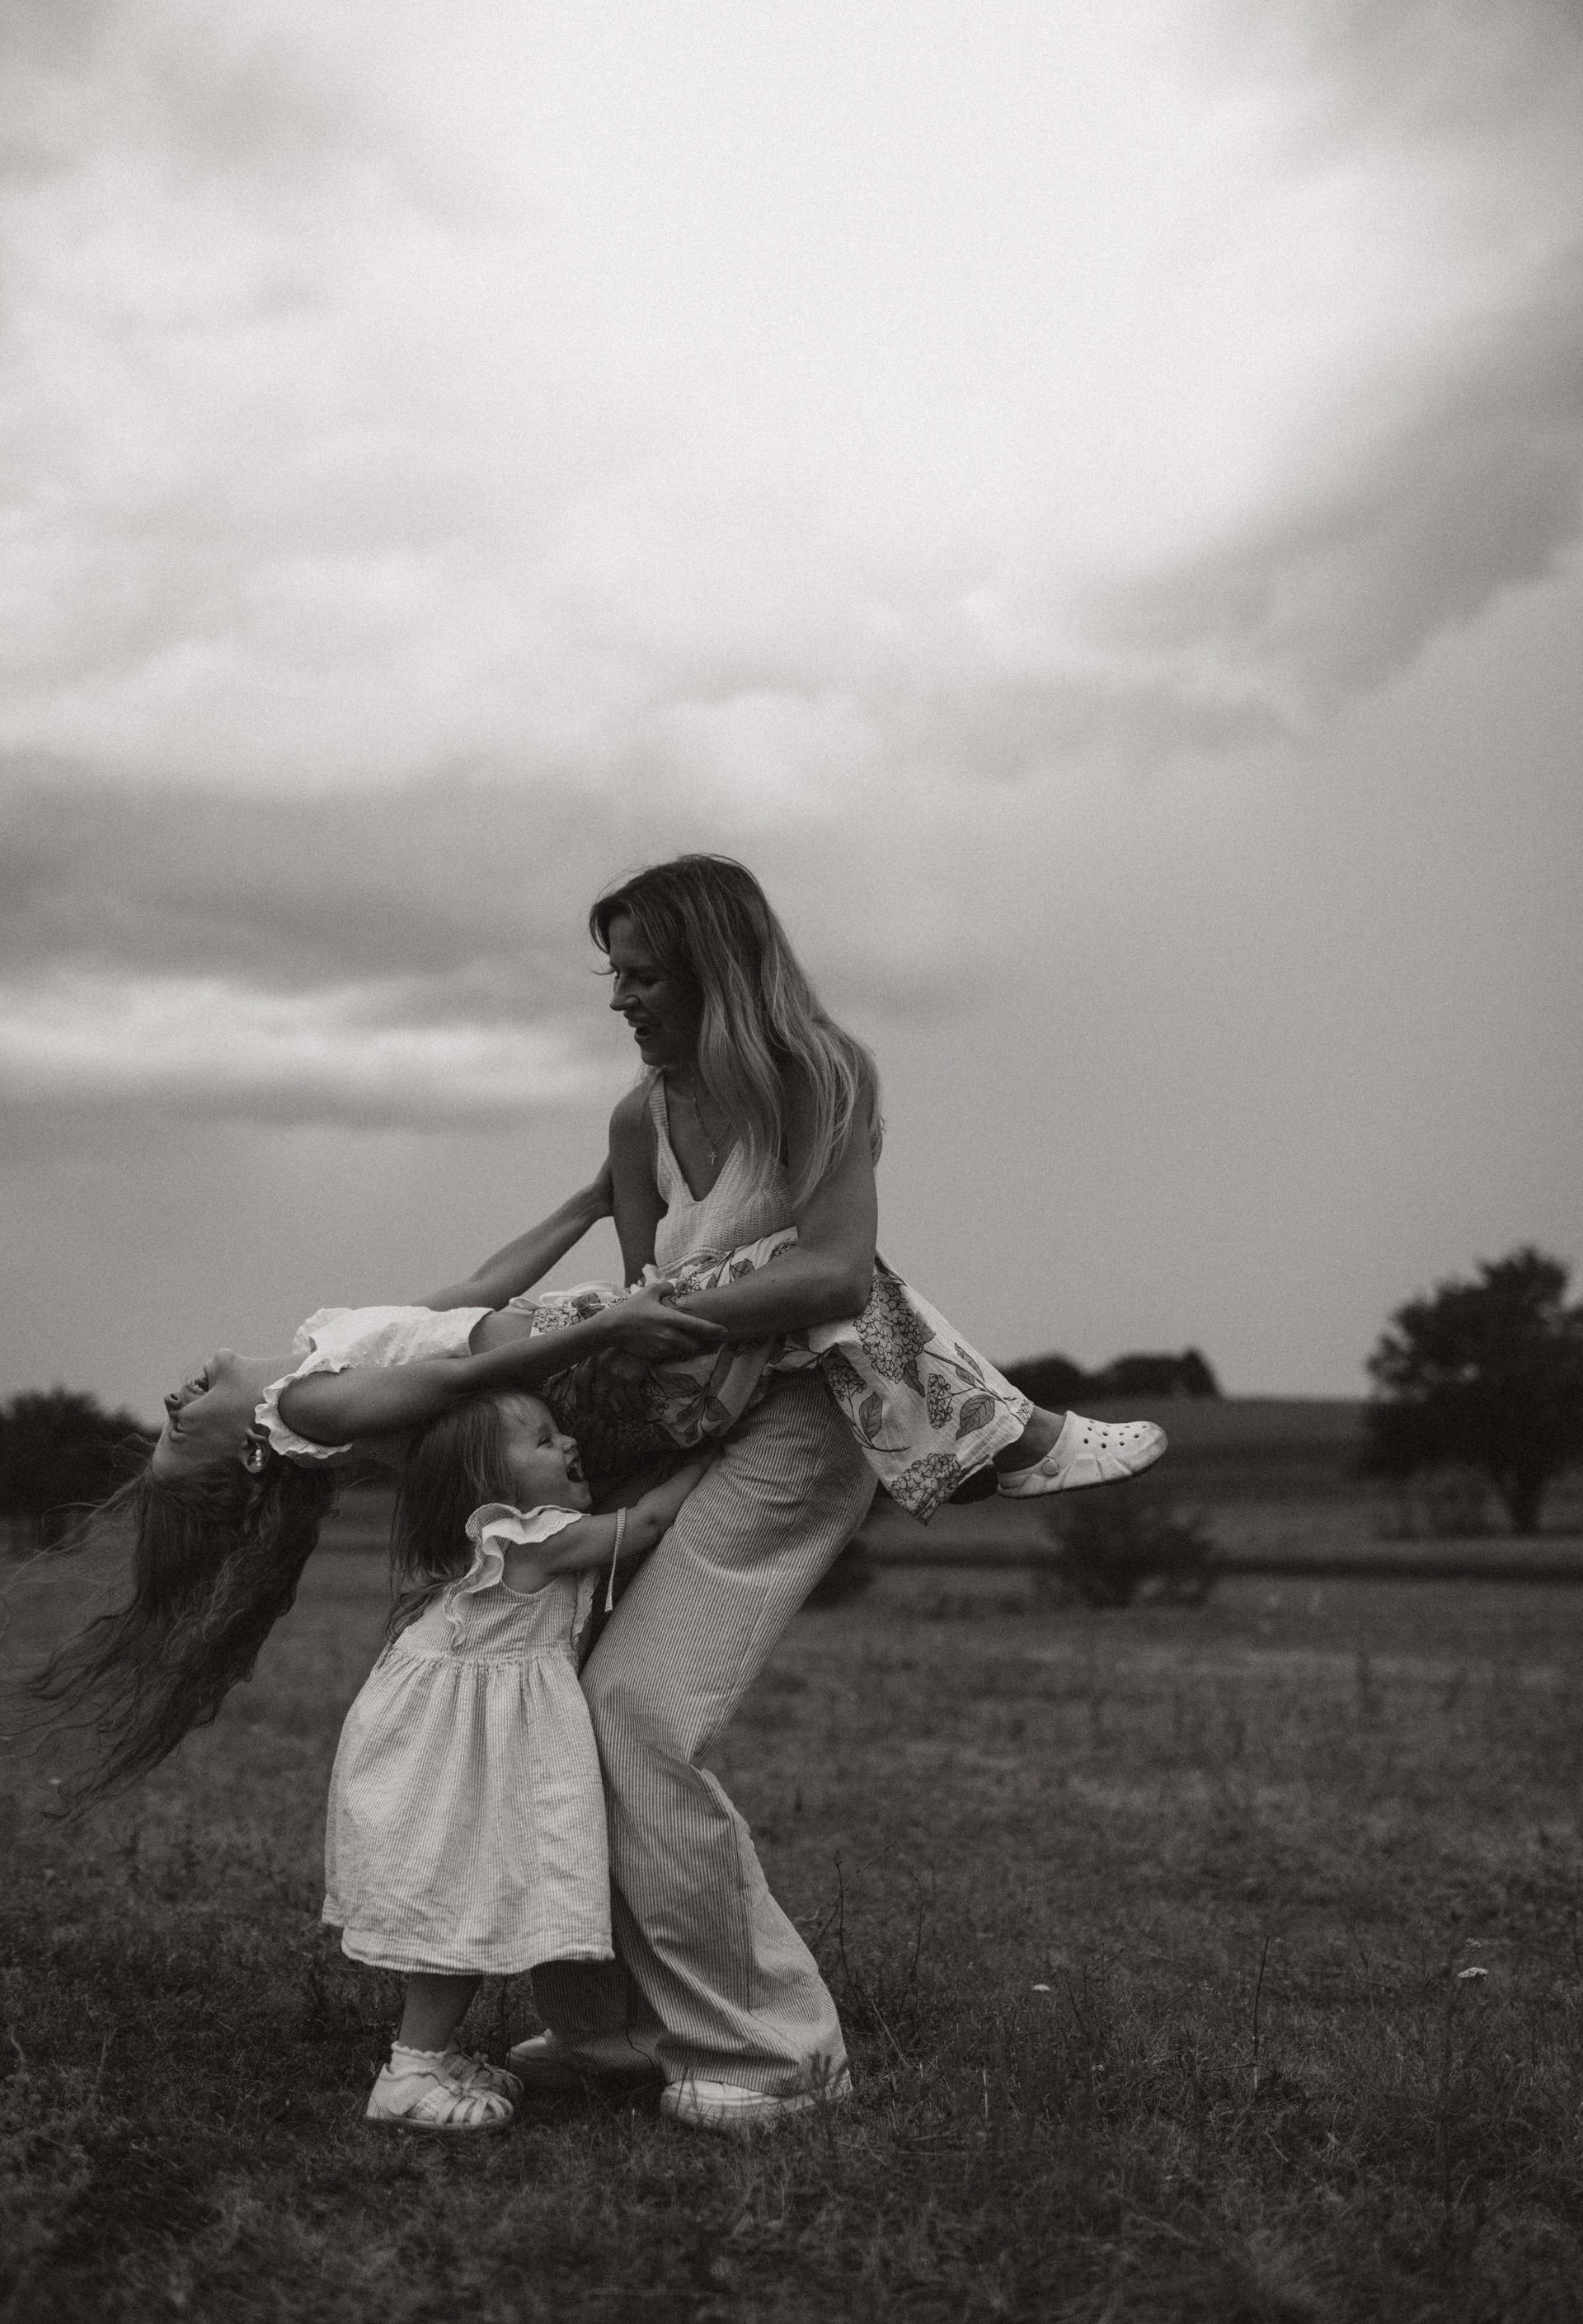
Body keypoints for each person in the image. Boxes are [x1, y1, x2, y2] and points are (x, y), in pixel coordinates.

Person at [512, 855, 1166, 2135]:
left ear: (714, 969)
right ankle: (609, 2024)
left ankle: (776, 2055)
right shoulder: (639, 1123)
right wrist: (644, 1342)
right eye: (614, 975)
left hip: (809, 1423)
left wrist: (675, 1309)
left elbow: (833, 1275)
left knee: (638, 1708)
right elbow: (654, 1326)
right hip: (697, 1417)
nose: (621, 1000)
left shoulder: (819, 1079)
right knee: (546, 1694)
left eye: (644, 975)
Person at [28, 1176, 729, 1807]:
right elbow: (462, 1377)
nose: (170, 1403)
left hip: (585, 1332)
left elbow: (477, 1291)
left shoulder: (320, 1350)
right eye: (180, 1431)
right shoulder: (306, 1408)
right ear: (252, 1451)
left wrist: (588, 1204)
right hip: (592, 1346)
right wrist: (609, 1327)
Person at [329, 1389, 713, 2134]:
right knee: (460, 1906)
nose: (568, 1442)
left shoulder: (491, 1545)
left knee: (460, 1904)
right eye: (541, 1440)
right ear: (489, 1483)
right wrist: (710, 1457)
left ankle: (431, 2057)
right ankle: (408, 2074)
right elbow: (649, 1523)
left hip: (444, 1747)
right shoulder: (529, 1539)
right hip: (454, 1757)